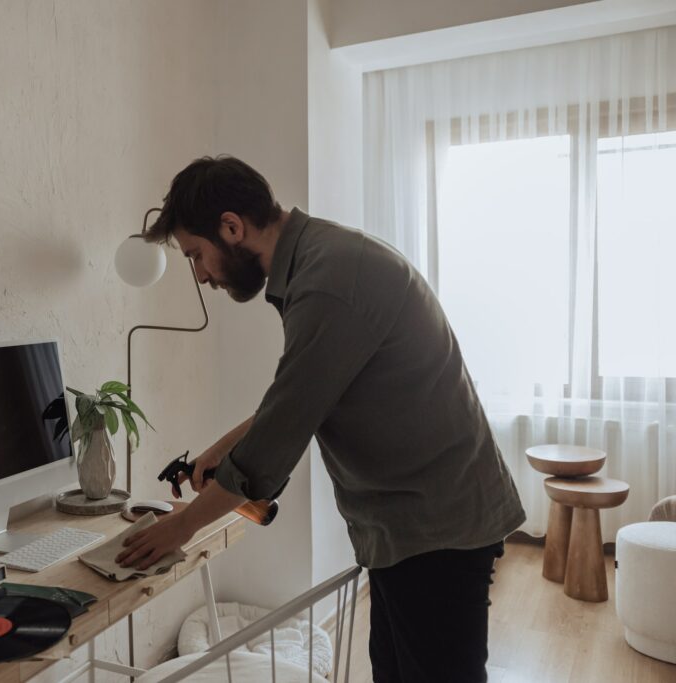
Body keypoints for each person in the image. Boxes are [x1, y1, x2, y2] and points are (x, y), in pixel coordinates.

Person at [115, 155, 526, 682]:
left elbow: (270, 452)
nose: (200, 274)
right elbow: (308, 390)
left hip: (436, 529)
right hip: (411, 527)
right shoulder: (321, 259)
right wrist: (224, 445)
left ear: (232, 227)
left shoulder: (329, 282)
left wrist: (181, 528)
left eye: (196, 255)